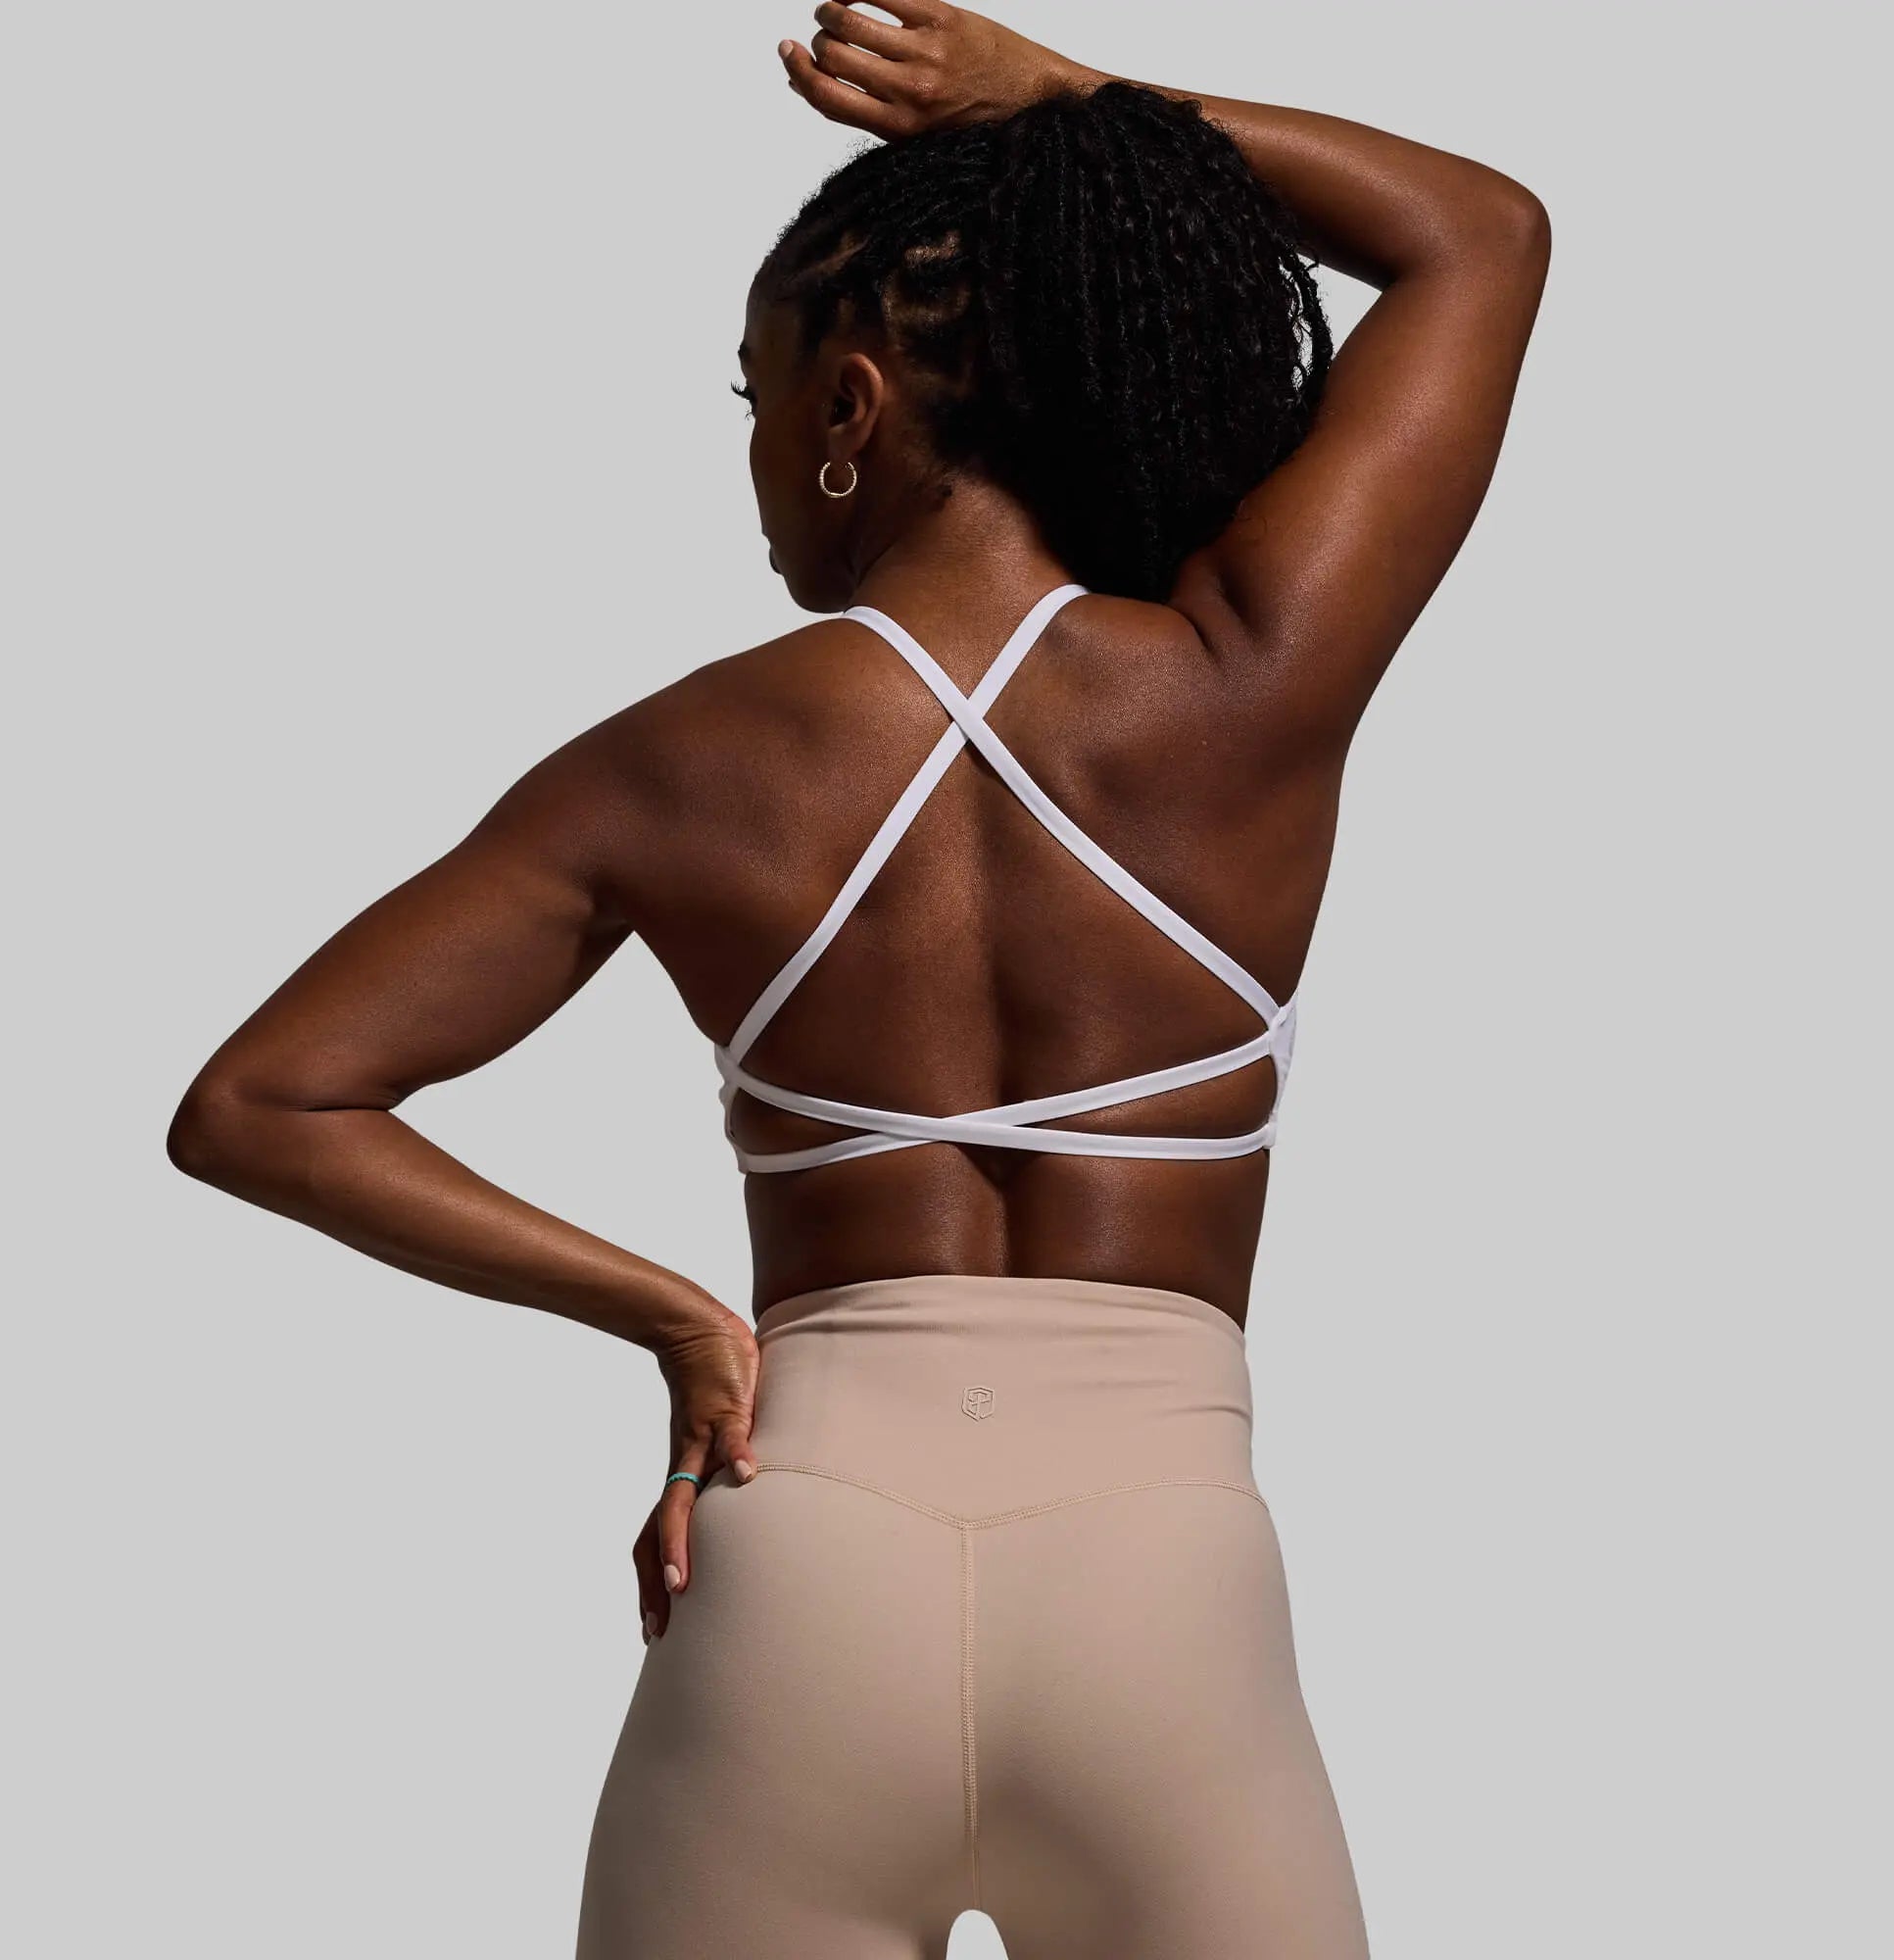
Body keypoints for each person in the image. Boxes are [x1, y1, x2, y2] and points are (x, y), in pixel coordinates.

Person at [169, 7, 1547, 1954]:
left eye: (756, 394)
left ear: (852, 408)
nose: (750, 454)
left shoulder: (672, 764)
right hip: (1162, 1591)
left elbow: (261, 1103)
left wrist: (674, 1318)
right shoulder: (1247, 683)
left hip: (797, 1561)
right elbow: (1481, 233)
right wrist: (1069, 103)